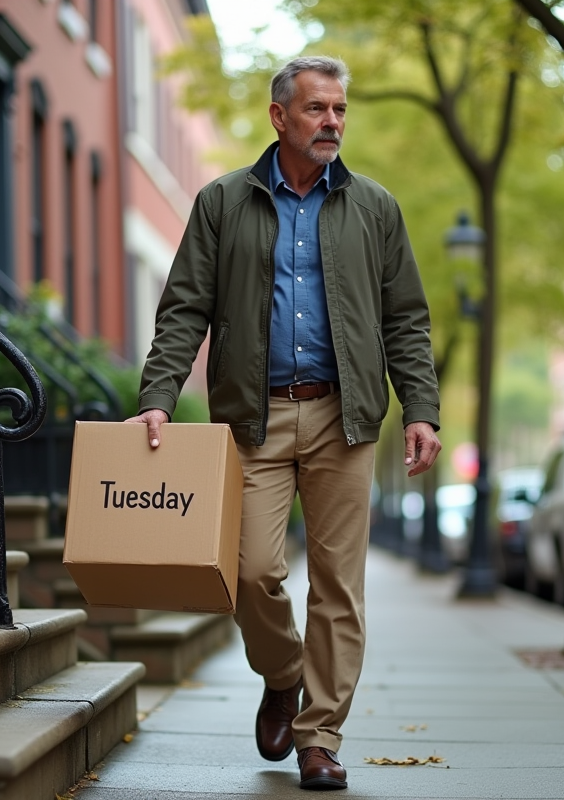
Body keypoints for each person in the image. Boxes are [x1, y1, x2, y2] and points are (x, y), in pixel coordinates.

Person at [126, 55, 441, 791]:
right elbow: (184, 309)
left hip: (345, 415)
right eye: (316, 110)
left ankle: (319, 737)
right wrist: (158, 396)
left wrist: (420, 407)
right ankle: (283, 673)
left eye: (338, 110)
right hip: (253, 421)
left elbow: (406, 319)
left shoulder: (375, 208)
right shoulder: (222, 202)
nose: (331, 122)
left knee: (338, 588)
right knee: (249, 572)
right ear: (279, 117)